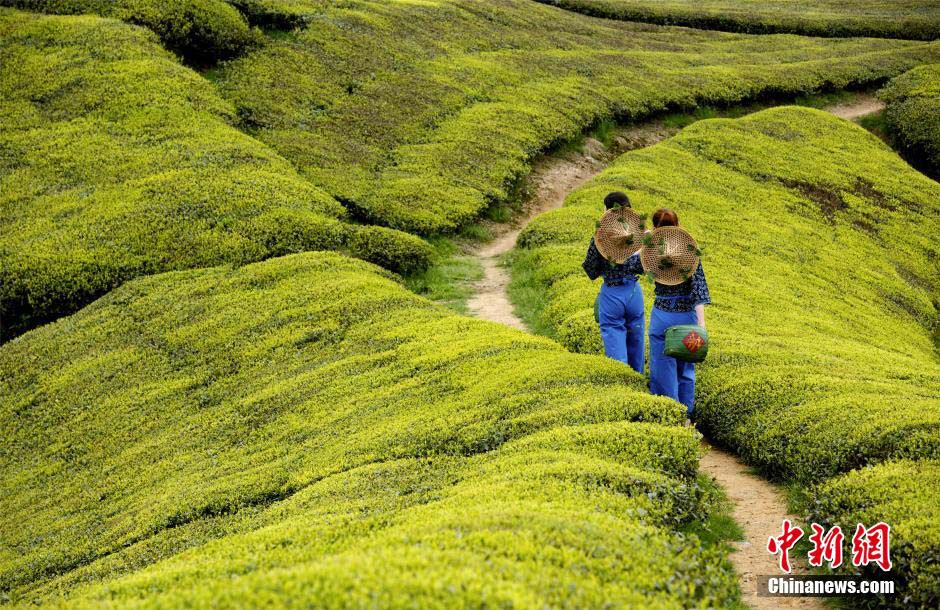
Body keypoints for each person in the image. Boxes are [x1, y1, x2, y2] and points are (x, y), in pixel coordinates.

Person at [644, 208, 710, 419]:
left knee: (662, 368)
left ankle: (668, 414)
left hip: (662, 315)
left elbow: (625, 263)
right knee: (686, 368)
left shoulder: (651, 252)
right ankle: (685, 415)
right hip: (687, 317)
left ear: (656, 228)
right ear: (678, 226)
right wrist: (701, 326)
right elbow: (699, 290)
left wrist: (645, 240)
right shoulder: (690, 253)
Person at [582, 192, 645, 373]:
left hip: (612, 292)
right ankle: (638, 381)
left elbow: (591, 269)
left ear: (606, 210)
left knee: (613, 336)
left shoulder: (600, 237)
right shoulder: (637, 234)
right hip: (634, 291)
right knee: (637, 339)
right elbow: (644, 265)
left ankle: (623, 385)